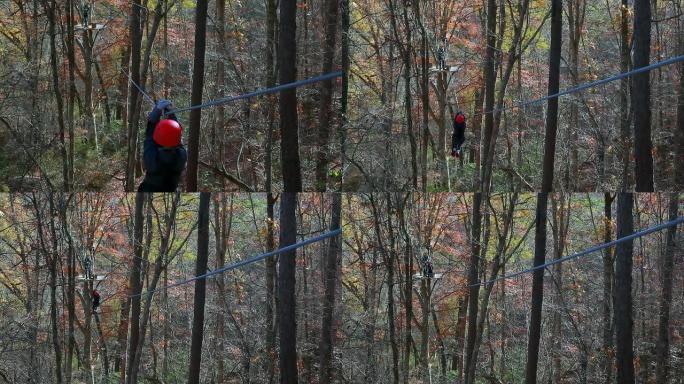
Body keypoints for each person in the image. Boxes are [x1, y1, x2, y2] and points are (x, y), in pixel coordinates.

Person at [138, 100, 187, 192]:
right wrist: (171, 114)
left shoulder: (152, 159)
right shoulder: (181, 155)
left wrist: (157, 111)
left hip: (150, 189)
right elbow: (175, 134)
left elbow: (149, 136)